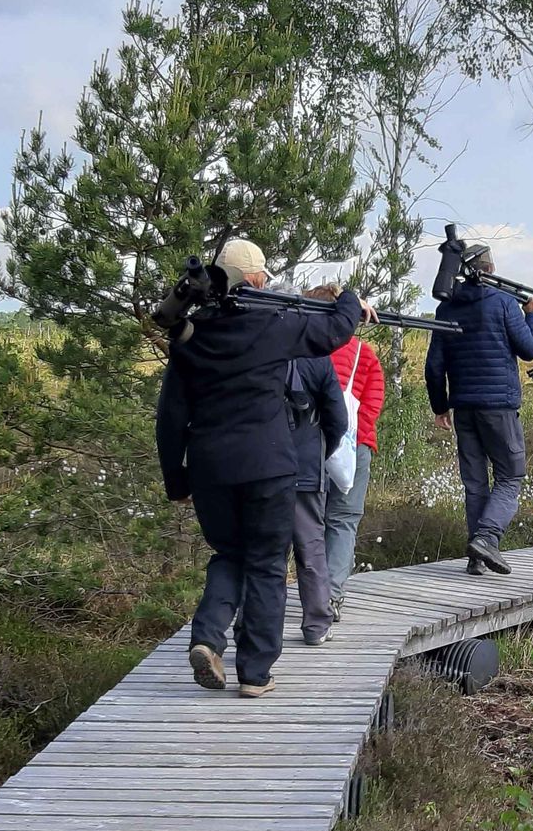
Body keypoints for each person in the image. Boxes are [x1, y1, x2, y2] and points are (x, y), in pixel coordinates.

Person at [156, 239, 374, 698]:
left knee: (229, 554)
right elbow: (334, 331)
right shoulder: (273, 324)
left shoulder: (191, 336)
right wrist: (348, 297)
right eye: (264, 276)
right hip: (268, 464)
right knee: (267, 566)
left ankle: (208, 638)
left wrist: (176, 480)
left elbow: (171, 417)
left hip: (210, 467)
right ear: (255, 280)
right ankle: (254, 673)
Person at [424, 246, 533, 576]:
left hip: (464, 406)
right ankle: (488, 538)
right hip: (499, 405)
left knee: (475, 482)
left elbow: (434, 366)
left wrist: (440, 406)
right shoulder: (504, 302)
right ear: (490, 269)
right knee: (510, 475)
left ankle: (477, 557)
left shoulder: (446, 308)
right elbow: (529, 348)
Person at [306, 286, 387, 622]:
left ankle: (273, 592)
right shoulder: (362, 353)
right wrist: (358, 435)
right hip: (352, 448)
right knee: (342, 521)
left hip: (307, 444)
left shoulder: (301, 348)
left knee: (303, 521)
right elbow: (374, 399)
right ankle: (332, 595)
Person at [288, 354, 347, 645]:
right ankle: (316, 624)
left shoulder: (257, 348)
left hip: (258, 467)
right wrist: (322, 450)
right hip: (306, 466)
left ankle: (258, 626)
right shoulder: (317, 360)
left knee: (263, 551)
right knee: (311, 546)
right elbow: (339, 419)